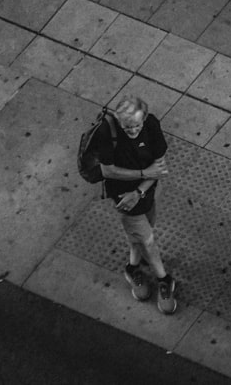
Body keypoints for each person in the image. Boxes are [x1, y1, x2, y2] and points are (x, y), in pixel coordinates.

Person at [88, 96, 176, 314]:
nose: (133, 130)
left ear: (144, 118)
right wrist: (144, 175)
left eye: (137, 125)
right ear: (119, 120)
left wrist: (141, 188)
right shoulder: (107, 134)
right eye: (127, 127)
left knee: (140, 235)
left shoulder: (152, 125)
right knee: (148, 241)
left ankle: (133, 268)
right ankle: (165, 280)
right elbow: (108, 170)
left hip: (146, 191)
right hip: (124, 197)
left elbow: (160, 167)